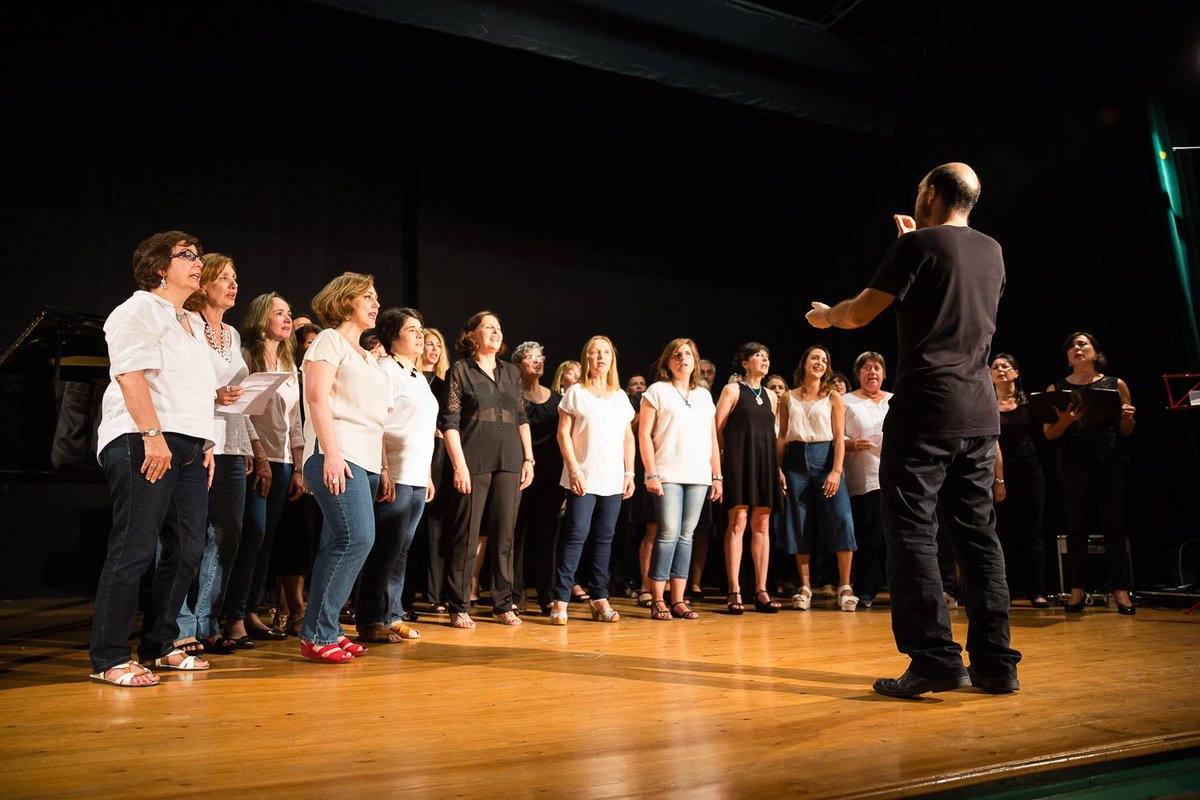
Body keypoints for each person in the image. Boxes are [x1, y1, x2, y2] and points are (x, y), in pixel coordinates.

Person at [807, 162, 1021, 698]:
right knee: (978, 538)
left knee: (911, 532)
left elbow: (860, 313)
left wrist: (829, 317)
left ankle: (934, 659)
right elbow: (950, 293)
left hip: (927, 407)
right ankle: (996, 665)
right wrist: (915, 245)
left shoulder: (916, 249)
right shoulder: (992, 251)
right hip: (978, 411)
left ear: (929, 193)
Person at [89, 231, 217, 686]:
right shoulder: (138, 308)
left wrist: (207, 444)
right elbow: (129, 374)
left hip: (187, 446)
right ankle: (107, 657)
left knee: (188, 549)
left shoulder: (194, 322)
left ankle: (160, 646)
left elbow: (195, 388)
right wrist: (152, 434)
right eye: (186, 255)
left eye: (198, 255)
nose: (197, 262)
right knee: (135, 548)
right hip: (141, 438)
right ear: (159, 266)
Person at [297, 272, 388, 662]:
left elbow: (376, 416)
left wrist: (383, 466)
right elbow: (317, 398)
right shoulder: (328, 340)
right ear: (345, 299)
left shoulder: (368, 355)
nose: (376, 303)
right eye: (367, 296)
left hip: (365, 461)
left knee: (340, 543)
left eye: (376, 297)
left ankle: (327, 629)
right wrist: (331, 453)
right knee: (356, 539)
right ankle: (317, 634)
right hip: (337, 455)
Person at [172, 254, 257, 654]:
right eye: (224, 277)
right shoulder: (186, 325)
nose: (232, 284)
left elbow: (239, 394)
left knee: (227, 538)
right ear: (202, 284)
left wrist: (251, 443)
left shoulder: (234, 335)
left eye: (235, 277)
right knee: (186, 537)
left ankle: (207, 621)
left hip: (232, 445)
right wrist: (213, 396)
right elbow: (177, 384)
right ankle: (180, 624)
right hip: (197, 441)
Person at [441, 311, 535, 628]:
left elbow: (521, 419)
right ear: (472, 336)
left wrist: (529, 459)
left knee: (504, 534)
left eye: (498, 327)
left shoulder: (511, 372)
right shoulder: (461, 371)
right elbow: (451, 423)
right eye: (488, 327)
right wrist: (459, 465)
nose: (495, 332)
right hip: (473, 461)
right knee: (465, 535)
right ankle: (458, 604)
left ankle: (503, 603)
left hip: (510, 460)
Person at [224, 292, 305, 645]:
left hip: (285, 461)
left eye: (289, 313)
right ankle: (233, 615)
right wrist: (258, 454)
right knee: (252, 533)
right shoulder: (246, 356)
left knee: (266, 540)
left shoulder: (289, 364)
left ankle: (251, 611)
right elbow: (244, 410)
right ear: (261, 318)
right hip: (257, 457)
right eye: (279, 313)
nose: (287, 319)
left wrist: (299, 467)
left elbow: (295, 422)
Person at [356, 307, 437, 643]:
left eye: (421, 329)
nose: (420, 335)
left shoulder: (416, 375)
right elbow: (377, 423)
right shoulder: (385, 369)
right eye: (412, 329)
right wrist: (384, 468)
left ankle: (391, 614)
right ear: (393, 336)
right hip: (395, 473)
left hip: (417, 475)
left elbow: (421, 428)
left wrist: (428, 474)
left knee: (401, 549)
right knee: (385, 548)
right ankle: (369, 618)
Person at [1042, 332, 1136, 614]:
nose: (1077, 348)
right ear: (1067, 357)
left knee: (1113, 524)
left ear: (1095, 352)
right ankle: (1076, 590)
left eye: (1082, 344)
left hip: (1109, 457)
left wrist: (1128, 418)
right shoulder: (1055, 388)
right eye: (1071, 346)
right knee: (1076, 524)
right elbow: (1049, 434)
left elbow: (1126, 431)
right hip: (1072, 459)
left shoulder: (1115, 384)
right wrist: (1067, 421)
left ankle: (1121, 590)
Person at [549, 336, 636, 624]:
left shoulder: (620, 396)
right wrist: (574, 469)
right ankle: (560, 600)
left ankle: (599, 597)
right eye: (595, 352)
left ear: (613, 359)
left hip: (612, 479)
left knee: (604, 539)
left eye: (606, 352)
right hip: (582, 478)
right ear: (587, 358)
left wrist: (630, 473)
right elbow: (563, 434)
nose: (601, 357)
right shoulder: (576, 392)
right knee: (575, 537)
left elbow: (627, 437)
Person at [639, 338, 722, 620]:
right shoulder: (657, 391)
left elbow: (712, 437)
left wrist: (717, 475)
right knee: (668, 534)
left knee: (687, 537)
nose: (682, 359)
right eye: (676, 355)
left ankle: (678, 599)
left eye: (687, 354)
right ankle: (657, 598)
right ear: (667, 362)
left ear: (695, 361)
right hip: (668, 472)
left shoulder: (704, 395)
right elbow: (644, 435)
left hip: (698, 474)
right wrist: (650, 472)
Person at [776, 346, 858, 612]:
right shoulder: (788, 397)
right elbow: (781, 436)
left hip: (825, 460)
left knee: (842, 518)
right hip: (796, 462)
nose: (819, 363)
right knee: (799, 523)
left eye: (824, 359)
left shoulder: (833, 397)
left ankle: (845, 586)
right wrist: (777, 468)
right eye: (815, 358)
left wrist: (836, 470)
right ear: (804, 362)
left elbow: (839, 438)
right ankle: (805, 586)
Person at [715, 342, 782, 614]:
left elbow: (771, 435)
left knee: (762, 524)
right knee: (738, 521)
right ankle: (734, 589)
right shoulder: (732, 390)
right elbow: (717, 428)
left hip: (764, 465)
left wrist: (776, 469)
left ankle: (761, 590)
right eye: (758, 356)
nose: (764, 360)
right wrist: (721, 462)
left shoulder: (772, 396)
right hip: (738, 462)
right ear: (744, 362)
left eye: (767, 356)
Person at [270, 321, 322, 635]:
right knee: (293, 541)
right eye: (307, 342)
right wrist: (299, 469)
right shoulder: (294, 378)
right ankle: (292, 609)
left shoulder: (325, 375)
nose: (312, 347)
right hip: (294, 463)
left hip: (321, 463)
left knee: (311, 542)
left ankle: (296, 609)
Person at [988, 353, 1050, 608]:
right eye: (995, 366)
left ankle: (1038, 590)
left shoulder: (1030, 404)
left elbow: (1045, 438)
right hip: (999, 474)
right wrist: (998, 480)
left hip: (1029, 471)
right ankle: (1007, 590)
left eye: (1006, 366)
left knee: (1032, 531)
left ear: (1016, 373)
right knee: (1004, 533)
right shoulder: (987, 406)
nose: (1000, 369)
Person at [511, 341, 567, 615]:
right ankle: (513, 593)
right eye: (530, 357)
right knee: (515, 534)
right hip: (520, 473)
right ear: (518, 364)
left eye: (540, 357)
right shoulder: (512, 395)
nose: (537, 361)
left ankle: (547, 594)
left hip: (550, 477)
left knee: (547, 537)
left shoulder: (557, 398)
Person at [842, 351, 892, 609]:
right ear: (858, 374)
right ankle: (866, 589)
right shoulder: (846, 401)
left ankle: (897, 589)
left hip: (893, 478)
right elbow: (833, 435)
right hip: (863, 478)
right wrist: (850, 444)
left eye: (877, 368)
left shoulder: (894, 400)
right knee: (869, 536)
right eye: (867, 368)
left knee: (894, 538)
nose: (872, 372)